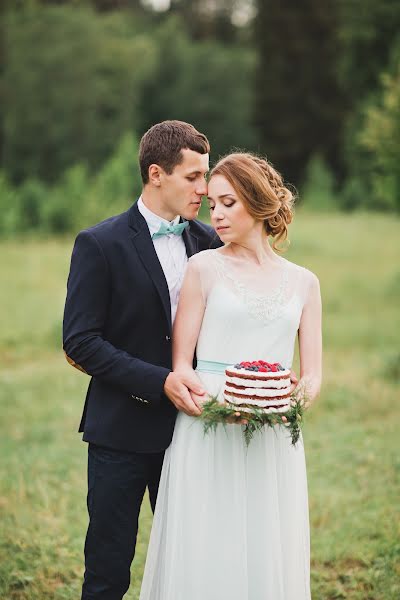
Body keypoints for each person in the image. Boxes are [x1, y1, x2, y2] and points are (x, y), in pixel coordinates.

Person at [139, 152, 322, 600]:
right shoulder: (204, 268)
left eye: (227, 203)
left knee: (265, 540)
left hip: (273, 433)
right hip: (208, 423)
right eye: (213, 204)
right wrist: (213, 407)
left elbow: (313, 374)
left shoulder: (304, 282)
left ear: (259, 204)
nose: (215, 214)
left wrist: (289, 405)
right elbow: (182, 363)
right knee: (208, 540)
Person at [63, 120, 223, 600]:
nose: (204, 188)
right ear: (156, 173)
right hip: (121, 432)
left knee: (194, 561)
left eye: (206, 176)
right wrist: (160, 381)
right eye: (192, 177)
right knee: (109, 568)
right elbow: (81, 341)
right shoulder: (100, 243)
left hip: (195, 431)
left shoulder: (211, 242)